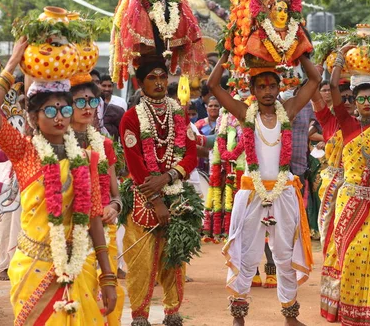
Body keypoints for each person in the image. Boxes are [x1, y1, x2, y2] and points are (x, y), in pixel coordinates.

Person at [0, 38, 116, 324]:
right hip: (34, 268)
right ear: (33, 116)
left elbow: (93, 217)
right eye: (51, 110)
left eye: (65, 110)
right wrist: (11, 64)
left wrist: (107, 275)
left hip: (77, 266)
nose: (60, 117)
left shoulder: (86, 157)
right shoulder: (25, 152)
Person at [208, 52, 321, 326]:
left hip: (283, 193)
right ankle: (238, 316)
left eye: (272, 86)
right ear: (253, 90)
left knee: (284, 255)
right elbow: (213, 86)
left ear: (279, 87)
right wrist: (225, 52)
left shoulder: (289, 110)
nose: (268, 92)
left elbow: (315, 79)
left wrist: (303, 52)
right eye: (262, 87)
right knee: (247, 254)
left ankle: (290, 316)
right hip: (251, 193)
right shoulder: (245, 114)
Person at [119, 56, 201, 326]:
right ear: (140, 84)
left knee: (174, 257)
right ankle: (140, 316)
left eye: (162, 77)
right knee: (142, 260)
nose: (158, 83)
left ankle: (172, 311)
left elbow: (190, 156)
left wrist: (168, 175)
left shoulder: (178, 113)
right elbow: (135, 163)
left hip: (176, 193)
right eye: (152, 78)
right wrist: (155, 200)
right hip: (144, 198)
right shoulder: (131, 118)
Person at [325, 53, 370, 324]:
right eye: (361, 99)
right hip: (351, 199)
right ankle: (349, 312)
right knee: (353, 256)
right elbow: (333, 88)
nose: (367, 103)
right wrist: (340, 58)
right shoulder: (347, 125)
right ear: (354, 103)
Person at [70, 76, 126, 324]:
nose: (87, 107)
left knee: (106, 296)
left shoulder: (104, 144)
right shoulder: (56, 145)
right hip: (70, 232)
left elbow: (116, 194)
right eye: (79, 101)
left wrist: (114, 206)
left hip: (104, 229)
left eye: (92, 101)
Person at [313, 80, 354, 321]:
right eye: (344, 98)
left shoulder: (364, 125)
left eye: (352, 98)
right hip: (332, 192)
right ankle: (334, 301)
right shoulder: (329, 122)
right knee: (332, 244)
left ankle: (351, 298)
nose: (347, 102)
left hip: (357, 191)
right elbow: (315, 95)